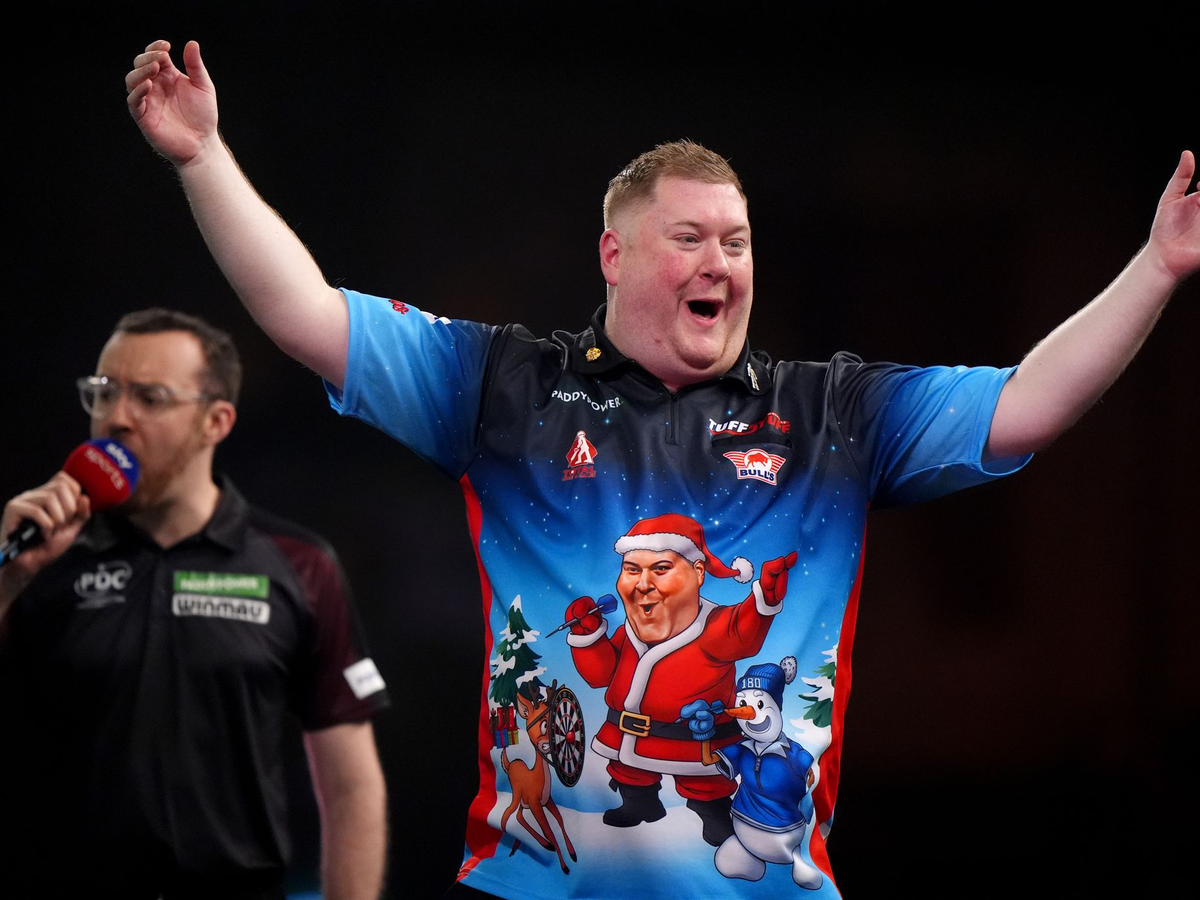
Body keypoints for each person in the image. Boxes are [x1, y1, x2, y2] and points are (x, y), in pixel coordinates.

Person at [124, 39, 1198, 900]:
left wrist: (1156, 268)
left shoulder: (830, 414)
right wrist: (203, 157)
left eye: (737, 241)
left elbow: (1026, 407)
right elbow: (306, 318)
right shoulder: (507, 389)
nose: (720, 263)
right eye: (690, 238)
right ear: (616, 255)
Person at [0, 309, 391, 900]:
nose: (115, 418)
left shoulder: (299, 564)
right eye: (104, 393)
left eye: (149, 398)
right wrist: (9, 578)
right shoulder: (36, 557)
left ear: (216, 421)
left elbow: (351, 787)